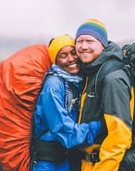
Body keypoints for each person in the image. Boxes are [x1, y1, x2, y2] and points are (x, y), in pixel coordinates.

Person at [32, 34, 103, 171]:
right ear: (56, 61)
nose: (71, 59)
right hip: (47, 164)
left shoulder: (75, 82)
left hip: (64, 160)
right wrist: (100, 126)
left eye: (72, 52)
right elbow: (63, 129)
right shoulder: (53, 85)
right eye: (63, 55)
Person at [73, 19, 133, 171]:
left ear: (103, 44)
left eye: (90, 41)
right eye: (79, 41)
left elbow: (120, 134)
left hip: (105, 164)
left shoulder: (112, 78)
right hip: (88, 163)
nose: (83, 46)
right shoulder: (90, 72)